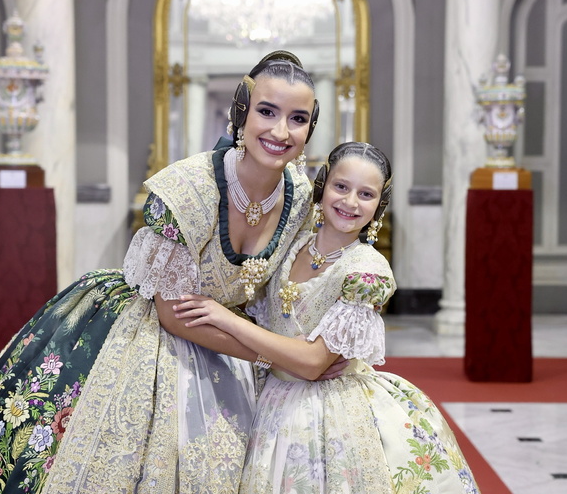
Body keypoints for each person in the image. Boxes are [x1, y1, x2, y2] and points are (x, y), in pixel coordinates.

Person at [0, 50, 333, 494]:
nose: (281, 131)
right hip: (147, 330)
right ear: (240, 113)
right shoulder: (186, 190)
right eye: (267, 111)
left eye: (298, 118)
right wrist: (278, 358)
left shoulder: (301, 195)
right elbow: (173, 315)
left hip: (230, 333)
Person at [173, 142, 481, 493]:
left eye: (366, 194)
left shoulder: (366, 271)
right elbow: (259, 311)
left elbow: (312, 364)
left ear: (379, 206)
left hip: (330, 412)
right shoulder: (290, 245)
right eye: (341, 187)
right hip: (270, 398)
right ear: (322, 188)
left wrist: (228, 320)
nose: (350, 202)